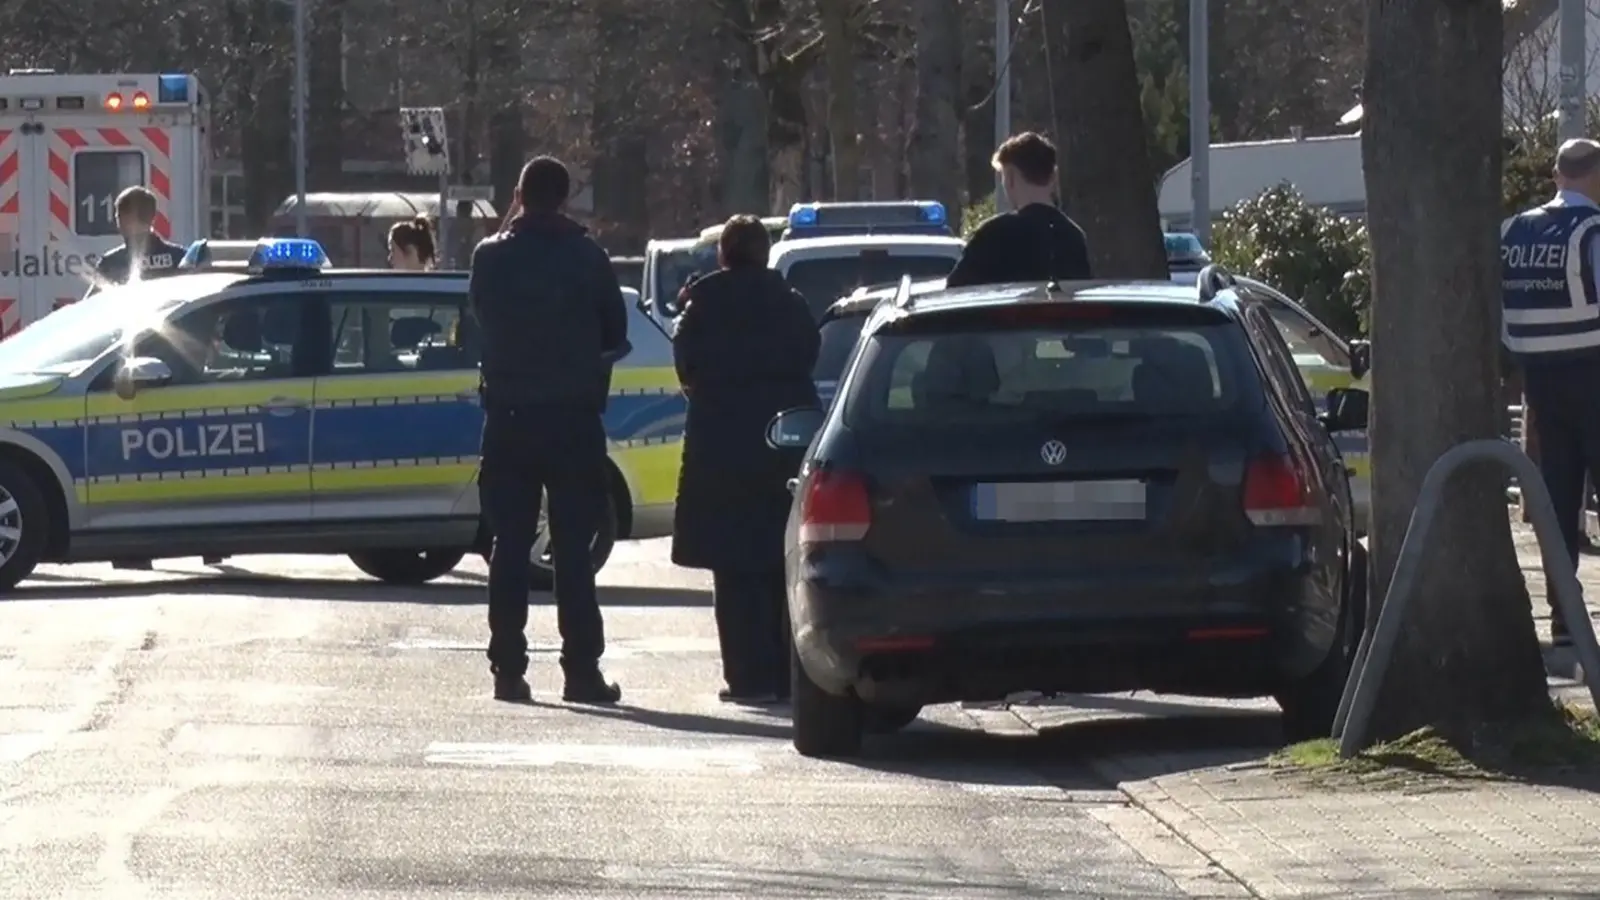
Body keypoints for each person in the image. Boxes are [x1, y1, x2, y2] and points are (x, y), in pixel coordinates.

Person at [468, 156, 629, 704]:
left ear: (518, 194)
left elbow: (481, 313)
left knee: (508, 546)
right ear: (564, 199)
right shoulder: (588, 258)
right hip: (573, 420)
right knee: (572, 551)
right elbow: (616, 331)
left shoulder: (490, 257)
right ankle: (581, 669)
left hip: (509, 419)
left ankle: (508, 670)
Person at [671, 215, 821, 705]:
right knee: (781, 565)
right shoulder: (791, 303)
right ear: (766, 253)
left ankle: (744, 676)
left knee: (732, 575)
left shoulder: (701, 305)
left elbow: (686, 368)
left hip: (721, 452)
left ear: (724, 255)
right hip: (781, 448)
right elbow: (809, 354)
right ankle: (784, 673)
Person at [1500, 137, 1600, 647]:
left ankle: (1564, 619)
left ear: (1558, 175)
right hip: (1593, 377)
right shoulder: (1593, 232)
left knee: (1557, 500)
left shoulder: (1515, 231)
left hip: (1538, 385)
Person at [946, 131, 1093, 288]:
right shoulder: (1073, 237)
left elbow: (955, 292)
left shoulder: (992, 236)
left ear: (1009, 178)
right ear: (1053, 177)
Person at [94, 186, 186, 288]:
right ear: (153, 217)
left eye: (118, 217)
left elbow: (93, 302)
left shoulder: (111, 263)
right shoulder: (180, 257)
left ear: (124, 218)